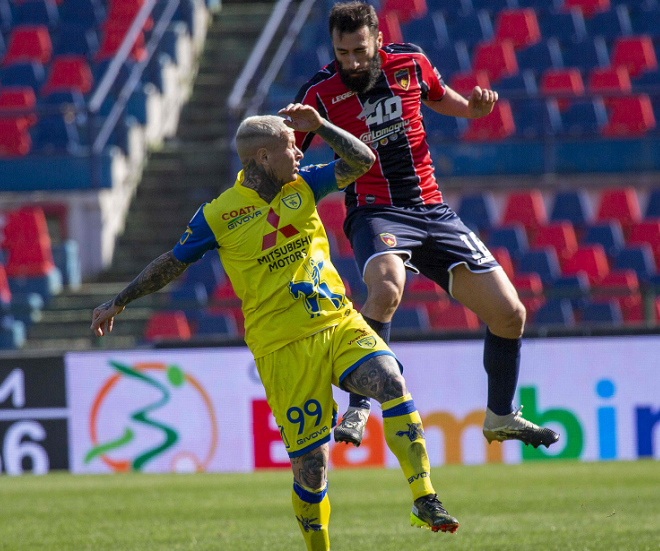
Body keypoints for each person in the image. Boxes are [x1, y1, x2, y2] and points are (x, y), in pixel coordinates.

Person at [91, 103, 458, 549]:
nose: (300, 154)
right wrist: (119, 301)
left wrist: (321, 125)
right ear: (263, 157)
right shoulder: (218, 214)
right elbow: (171, 263)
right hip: (281, 348)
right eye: (291, 146)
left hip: (338, 321)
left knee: (390, 380)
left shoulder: (304, 183)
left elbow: (363, 161)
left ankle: (424, 496)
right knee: (311, 466)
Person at [292, 1, 559, 450]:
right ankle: (358, 404)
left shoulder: (411, 63)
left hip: (431, 208)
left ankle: (500, 415)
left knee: (510, 314)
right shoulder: (320, 94)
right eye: (343, 53)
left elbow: (441, 98)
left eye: (359, 50)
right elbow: (288, 151)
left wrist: (472, 111)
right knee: (387, 287)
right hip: (374, 209)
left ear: (378, 39)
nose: (352, 62)